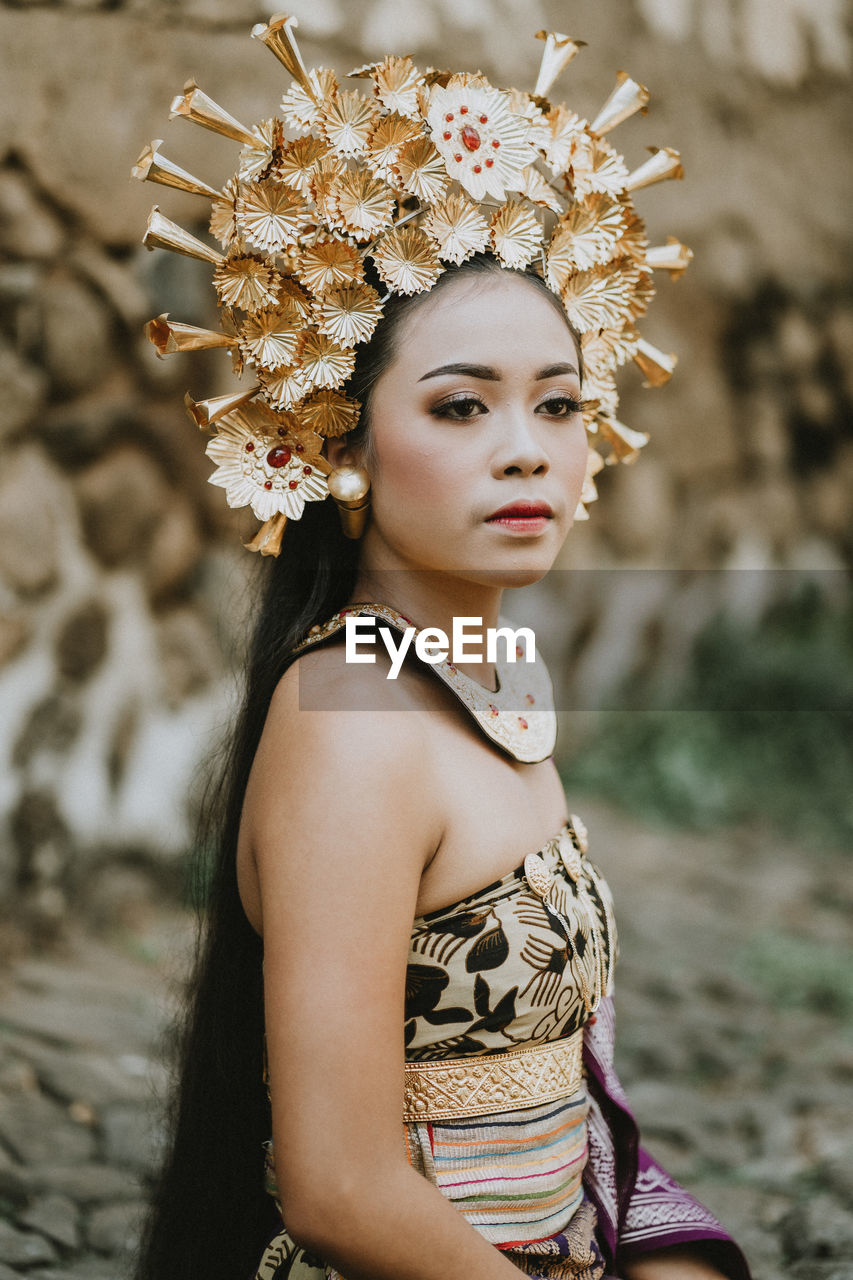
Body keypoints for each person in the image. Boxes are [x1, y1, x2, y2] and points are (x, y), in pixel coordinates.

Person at [131, 21, 753, 1280]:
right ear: (343, 443)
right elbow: (344, 1189)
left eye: (561, 402)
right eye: (461, 404)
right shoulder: (350, 725)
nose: (527, 447)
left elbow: (574, 1088)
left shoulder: (488, 679)